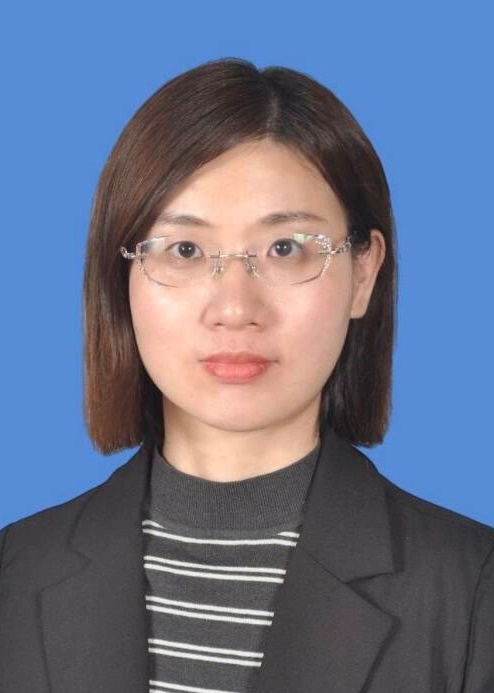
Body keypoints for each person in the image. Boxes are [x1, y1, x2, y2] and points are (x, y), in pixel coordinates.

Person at [0, 57, 492, 693]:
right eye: (184, 250)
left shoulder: (472, 592)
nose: (235, 308)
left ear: (363, 274)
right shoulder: (14, 574)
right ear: (120, 279)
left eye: (286, 249)